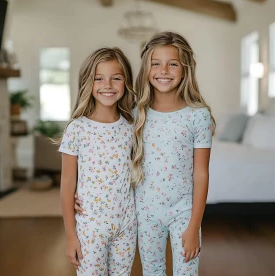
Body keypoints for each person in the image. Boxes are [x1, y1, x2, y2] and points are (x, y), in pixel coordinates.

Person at [131, 31, 215, 276]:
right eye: (156, 63)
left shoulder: (198, 116)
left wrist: (194, 225)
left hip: (184, 213)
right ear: (146, 68)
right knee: (152, 271)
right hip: (145, 212)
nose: (163, 70)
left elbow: (201, 173)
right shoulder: (135, 115)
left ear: (185, 68)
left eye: (173, 64)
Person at [59, 47, 137, 276]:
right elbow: (67, 184)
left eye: (116, 78)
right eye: (99, 78)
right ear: (88, 83)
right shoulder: (77, 129)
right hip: (90, 229)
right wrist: (71, 235)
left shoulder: (132, 128)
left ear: (126, 82)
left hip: (126, 226)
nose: (108, 85)